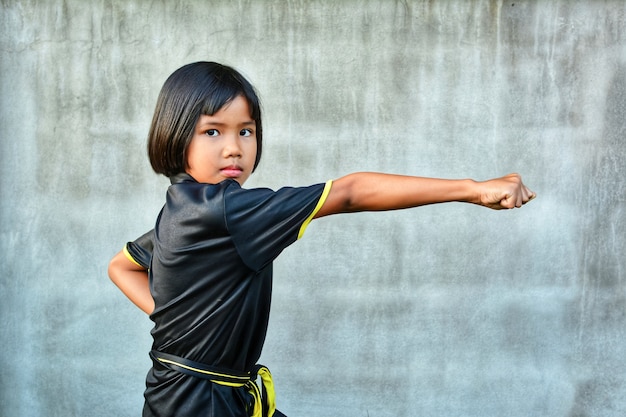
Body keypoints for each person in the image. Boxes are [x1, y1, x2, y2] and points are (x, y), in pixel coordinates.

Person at [108, 61, 535, 417]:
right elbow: (349, 192)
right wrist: (473, 188)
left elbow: (121, 266)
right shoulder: (227, 210)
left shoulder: (183, 206)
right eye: (213, 131)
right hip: (198, 404)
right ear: (177, 133)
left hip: (199, 393)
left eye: (246, 131)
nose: (234, 148)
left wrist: (182, 326)